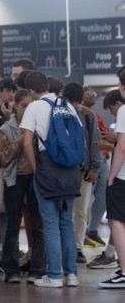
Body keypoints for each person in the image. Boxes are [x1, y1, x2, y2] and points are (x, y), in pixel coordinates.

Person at [20, 71, 81, 288]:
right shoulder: (67, 105)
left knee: (50, 225)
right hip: (71, 169)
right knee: (67, 222)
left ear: (30, 91)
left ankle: (54, 275)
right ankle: (71, 274)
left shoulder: (34, 107)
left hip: (48, 167)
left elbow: (27, 142)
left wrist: (36, 168)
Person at [0, 89, 46, 283]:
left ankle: (38, 269)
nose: (27, 109)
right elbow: (4, 157)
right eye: (24, 105)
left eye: (30, 106)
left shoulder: (39, 126)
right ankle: (11, 270)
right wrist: (22, 139)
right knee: (12, 225)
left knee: (38, 225)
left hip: (35, 179)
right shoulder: (5, 129)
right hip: (14, 179)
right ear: (15, 106)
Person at [62, 82, 101, 264]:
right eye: (71, 101)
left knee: (81, 211)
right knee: (65, 211)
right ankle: (65, 246)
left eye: (77, 102)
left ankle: (77, 247)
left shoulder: (87, 114)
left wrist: (94, 167)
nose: (74, 106)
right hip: (63, 169)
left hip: (83, 170)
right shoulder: (58, 113)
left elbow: (95, 141)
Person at [100, 71, 125, 288]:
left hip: (123, 176)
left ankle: (124, 272)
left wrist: (111, 176)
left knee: (116, 221)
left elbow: (123, 147)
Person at [84, 85, 111, 249]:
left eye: (94, 92)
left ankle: (92, 229)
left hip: (103, 157)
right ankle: (81, 234)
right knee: (85, 200)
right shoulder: (81, 113)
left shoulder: (95, 114)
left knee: (103, 197)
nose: (93, 94)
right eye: (88, 92)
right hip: (91, 160)